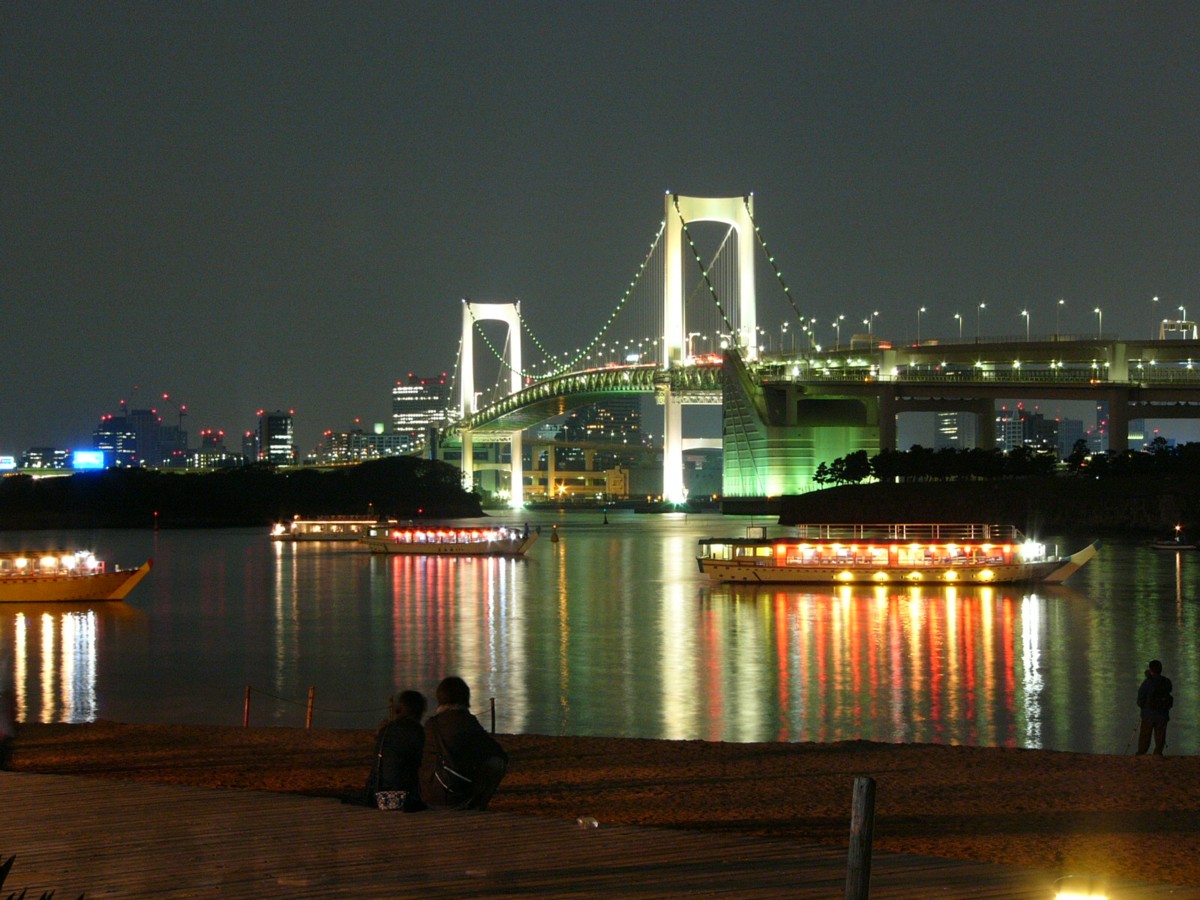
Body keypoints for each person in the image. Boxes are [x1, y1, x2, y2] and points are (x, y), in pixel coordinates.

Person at [421, 676, 508, 810]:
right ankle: (477, 805)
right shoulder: (467, 722)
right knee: (497, 762)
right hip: (455, 796)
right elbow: (494, 751)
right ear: (465, 697)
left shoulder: (430, 724)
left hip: (428, 796)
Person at [364, 690, 427, 811]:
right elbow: (421, 761)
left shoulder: (386, 730)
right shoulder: (415, 731)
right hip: (404, 795)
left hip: (379, 794)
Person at [1136, 659, 1173, 756]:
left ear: (1151, 670)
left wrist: (1143, 707)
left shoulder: (1147, 683)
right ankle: (1158, 754)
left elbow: (1140, 699)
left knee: (1145, 737)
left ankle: (1141, 754)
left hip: (1148, 715)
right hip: (1163, 715)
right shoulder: (1166, 681)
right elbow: (1169, 692)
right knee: (1160, 738)